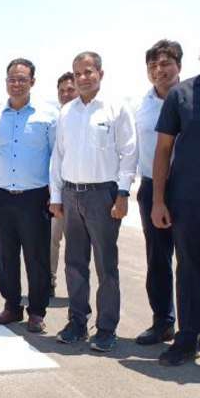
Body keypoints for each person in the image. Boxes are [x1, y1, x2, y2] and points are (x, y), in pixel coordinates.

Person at [49, 51, 137, 352]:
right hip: (71, 194)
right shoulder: (66, 112)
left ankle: (106, 328)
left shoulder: (116, 108)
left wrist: (123, 194)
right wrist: (56, 196)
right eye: (78, 73)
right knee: (74, 264)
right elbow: (58, 156)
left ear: (100, 73)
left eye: (88, 72)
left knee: (105, 266)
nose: (83, 78)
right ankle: (77, 322)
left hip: (103, 195)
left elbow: (129, 153)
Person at [151, 24, 200, 365]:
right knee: (190, 267)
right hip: (189, 198)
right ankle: (188, 338)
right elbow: (163, 150)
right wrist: (159, 201)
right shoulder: (183, 95)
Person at [0, 59, 57, 334]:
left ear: (32, 82)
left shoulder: (47, 116)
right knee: (5, 255)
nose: (16, 84)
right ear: (6, 82)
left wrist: (55, 193)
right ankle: (12, 306)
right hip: (2, 196)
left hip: (35, 197)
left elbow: (55, 158)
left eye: (22, 79)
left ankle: (37, 311)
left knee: (37, 256)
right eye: (12, 79)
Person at [134, 40, 190, 346]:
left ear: (179, 66)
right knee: (157, 259)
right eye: (153, 65)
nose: (159, 70)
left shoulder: (194, 98)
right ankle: (163, 321)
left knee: (192, 260)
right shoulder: (141, 105)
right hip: (150, 189)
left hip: (189, 190)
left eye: (166, 63)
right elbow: (133, 149)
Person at [50, 72, 78, 295]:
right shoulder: (54, 119)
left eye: (71, 89)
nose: (66, 94)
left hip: (80, 192)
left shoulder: (85, 117)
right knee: (52, 240)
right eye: (62, 91)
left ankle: (76, 292)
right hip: (54, 192)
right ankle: (49, 282)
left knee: (77, 247)